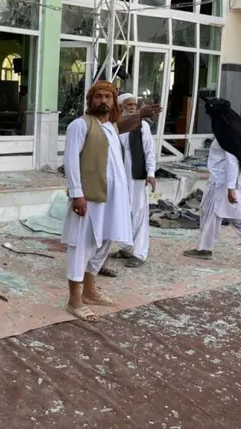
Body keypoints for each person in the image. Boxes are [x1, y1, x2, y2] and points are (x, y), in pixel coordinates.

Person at [62, 81, 162, 323]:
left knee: (105, 242)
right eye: (98, 97)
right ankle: (74, 300)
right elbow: (71, 162)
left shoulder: (110, 127)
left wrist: (141, 114)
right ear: (90, 100)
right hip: (89, 198)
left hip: (113, 200)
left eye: (108, 96)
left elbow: (125, 125)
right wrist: (77, 194)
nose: (103, 101)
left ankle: (90, 290)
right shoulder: (80, 125)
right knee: (82, 244)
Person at [183, 97, 241, 269]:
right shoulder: (236, 126)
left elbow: (232, 160)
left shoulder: (227, 132)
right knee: (209, 212)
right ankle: (204, 248)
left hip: (228, 182)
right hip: (222, 181)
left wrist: (230, 188)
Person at [108, 93, 157, 269]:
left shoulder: (142, 125)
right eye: (128, 104)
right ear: (120, 106)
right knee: (122, 212)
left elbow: (149, 151)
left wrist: (151, 172)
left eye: (134, 104)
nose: (132, 107)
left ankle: (139, 253)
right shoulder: (115, 126)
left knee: (138, 213)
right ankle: (126, 248)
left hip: (136, 176)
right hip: (119, 177)